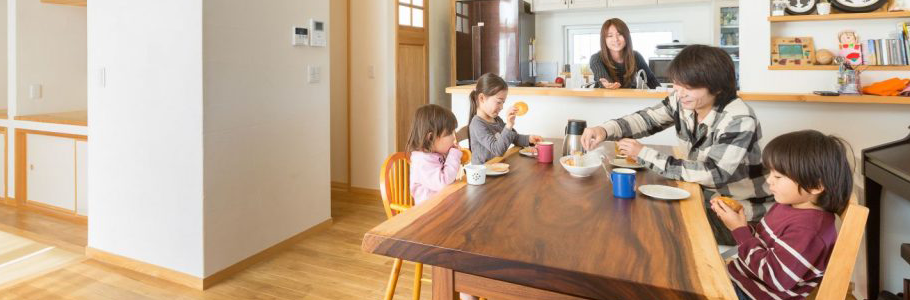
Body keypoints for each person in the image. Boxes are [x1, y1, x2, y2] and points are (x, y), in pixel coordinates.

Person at [581, 45, 772, 245]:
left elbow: (714, 174)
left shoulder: (738, 118)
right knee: (633, 215)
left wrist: (644, 154)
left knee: (651, 228)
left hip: (738, 214)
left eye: (689, 87)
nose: (680, 93)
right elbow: (647, 119)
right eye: (676, 84)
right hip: (702, 198)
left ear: (717, 86)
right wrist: (604, 130)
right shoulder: (682, 101)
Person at [711, 130, 853, 300]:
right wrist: (743, 225)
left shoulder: (810, 230)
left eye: (778, 176)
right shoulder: (787, 205)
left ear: (815, 185)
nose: (769, 180)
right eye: (770, 173)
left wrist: (739, 230)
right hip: (739, 279)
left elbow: (775, 278)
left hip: (751, 294)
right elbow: (766, 245)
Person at [468, 73, 543, 165]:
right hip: (484, 175)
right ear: (482, 98)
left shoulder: (496, 119)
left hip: (497, 168)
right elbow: (497, 150)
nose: (502, 107)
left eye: (503, 102)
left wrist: (529, 139)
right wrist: (509, 125)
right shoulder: (477, 124)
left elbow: (513, 137)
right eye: (499, 102)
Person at [408, 104, 462, 205]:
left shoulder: (435, 153)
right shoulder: (422, 161)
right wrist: (454, 156)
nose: (453, 138)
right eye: (449, 133)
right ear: (431, 137)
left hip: (442, 205)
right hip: (428, 213)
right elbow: (444, 182)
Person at [589, 18, 660, 89]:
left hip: (630, 98)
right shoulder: (596, 58)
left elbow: (651, 80)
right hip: (605, 99)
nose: (616, 39)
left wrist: (666, 97)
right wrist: (606, 84)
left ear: (626, 36)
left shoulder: (635, 56)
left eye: (619, 34)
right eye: (610, 36)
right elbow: (603, 78)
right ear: (604, 40)